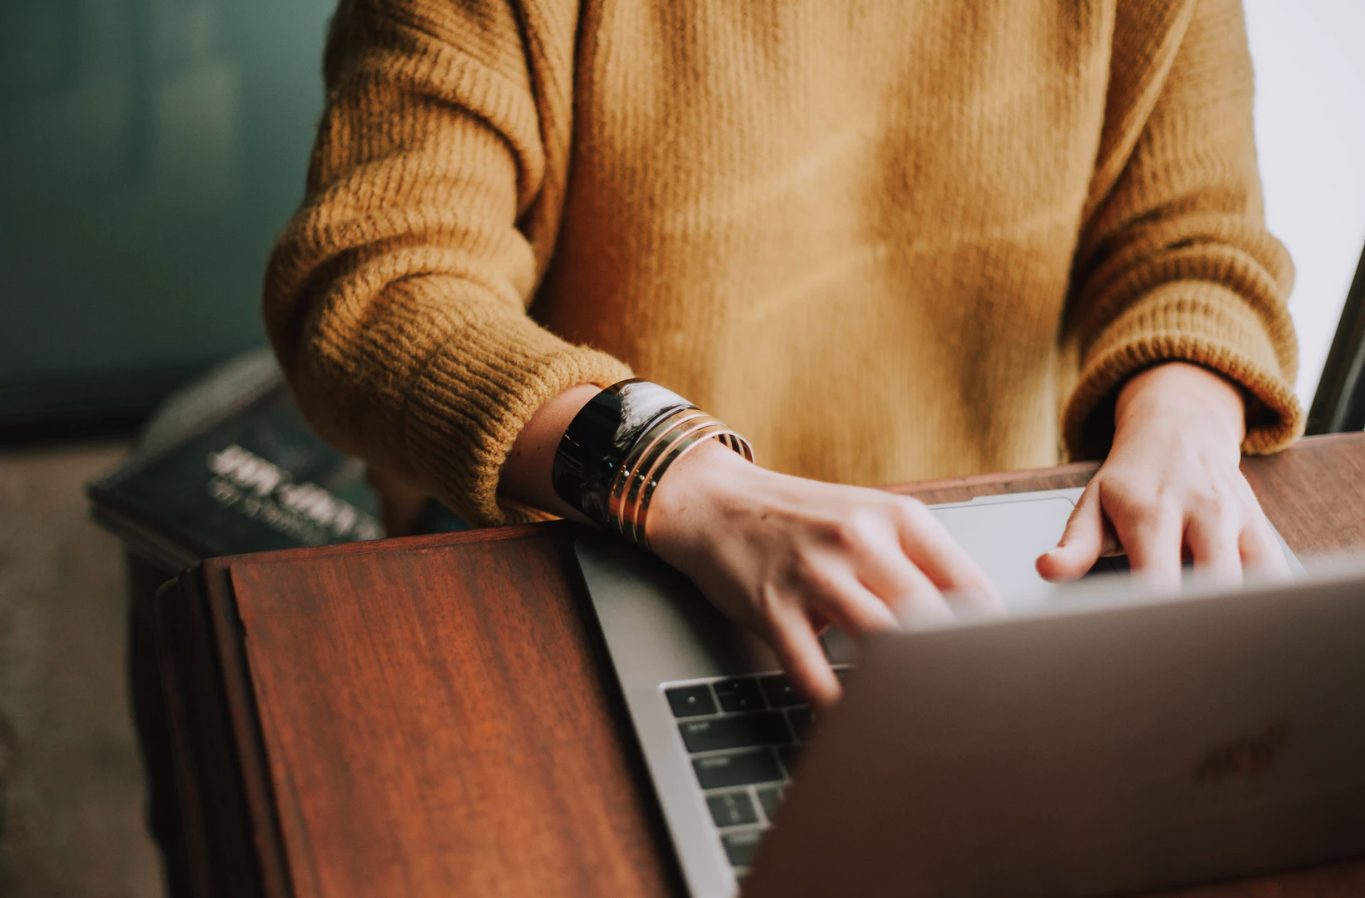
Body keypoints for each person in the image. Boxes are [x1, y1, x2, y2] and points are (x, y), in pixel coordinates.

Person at [264, 0, 1301, 707]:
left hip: (981, 574)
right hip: (590, 544)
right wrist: (679, 477)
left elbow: (1195, 242)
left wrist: (1186, 412)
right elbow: (375, 283)